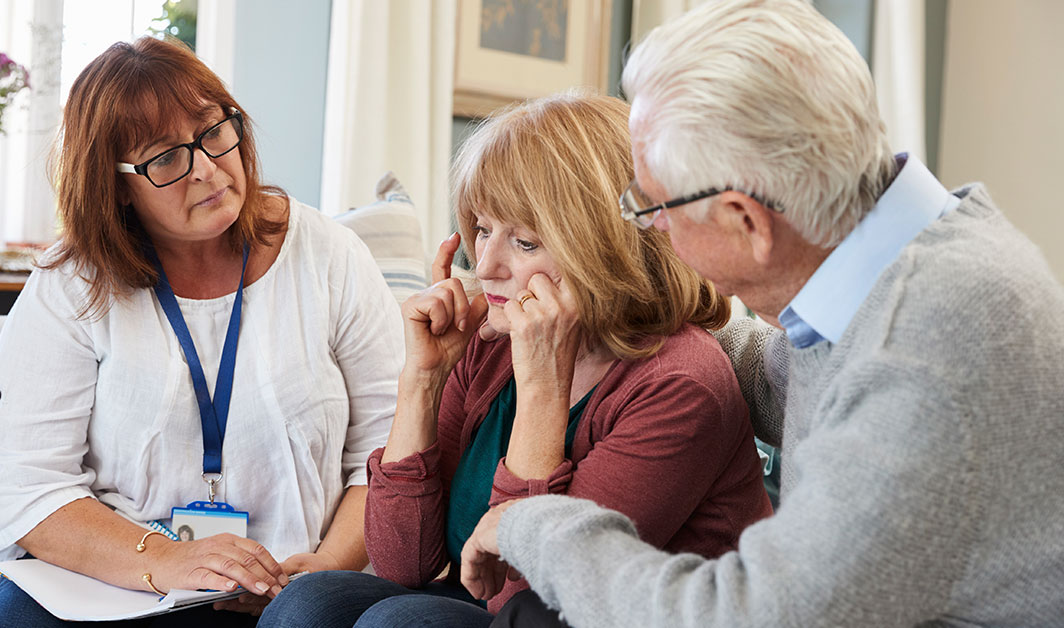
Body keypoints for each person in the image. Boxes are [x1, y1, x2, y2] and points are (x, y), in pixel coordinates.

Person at [461, 1, 1064, 626]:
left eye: (653, 208)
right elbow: (784, 371)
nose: (650, 231)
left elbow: (746, 616)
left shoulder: (921, 350)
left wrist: (529, 524)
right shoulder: (909, 257)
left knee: (526, 617)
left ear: (745, 221)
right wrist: (630, 306)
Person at [258, 92, 773, 628]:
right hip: (506, 609)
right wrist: (423, 382)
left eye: (524, 242)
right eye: (482, 230)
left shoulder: (682, 384)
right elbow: (402, 563)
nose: (485, 266)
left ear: (606, 248)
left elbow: (525, 600)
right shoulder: (490, 342)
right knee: (309, 603)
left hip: (610, 616)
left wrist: (543, 390)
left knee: (402, 623)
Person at [0, 37, 403, 628]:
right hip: (121, 575)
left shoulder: (328, 254)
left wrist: (322, 567)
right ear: (116, 184)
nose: (207, 168)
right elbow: (23, 483)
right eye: (165, 158)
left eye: (213, 130)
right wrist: (170, 561)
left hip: (294, 582)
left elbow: (387, 454)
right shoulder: (73, 282)